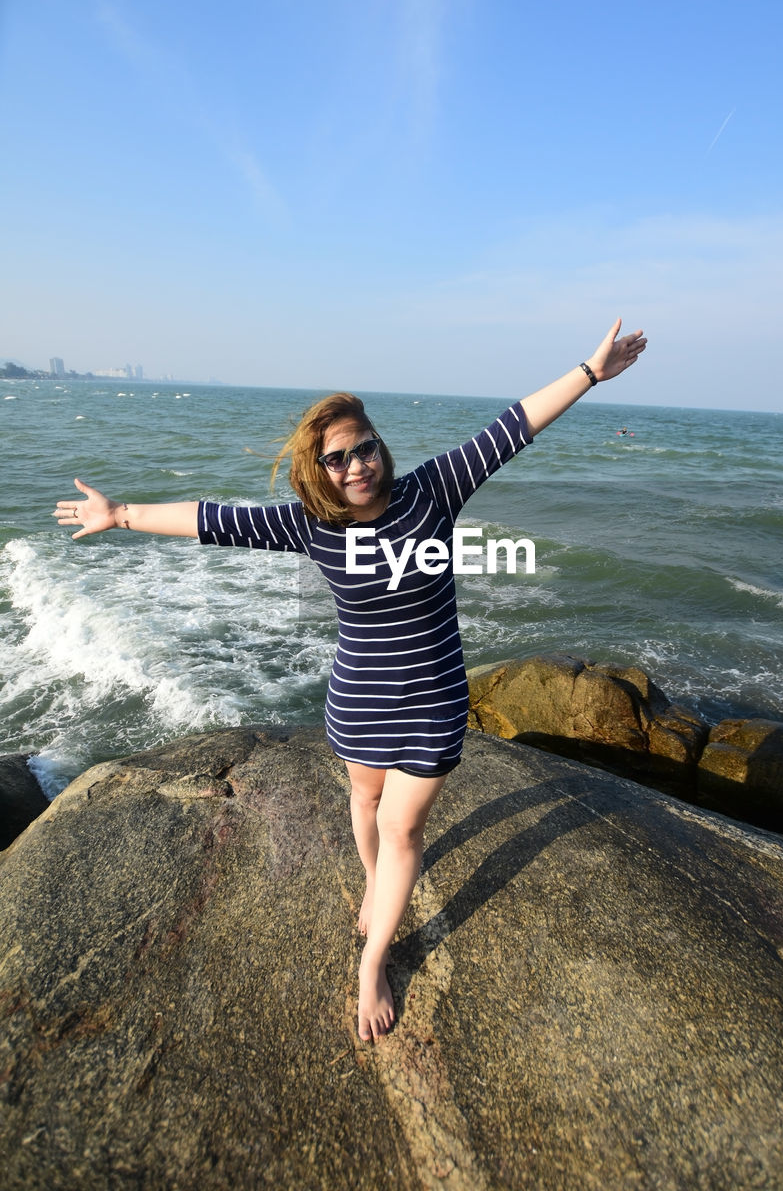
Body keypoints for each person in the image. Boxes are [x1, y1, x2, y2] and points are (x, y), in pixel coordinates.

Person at [53, 318, 646, 1042]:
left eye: (364, 448)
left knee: (402, 828)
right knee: (364, 802)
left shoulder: (433, 490)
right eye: (338, 459)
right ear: (320, 470)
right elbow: (215, 520)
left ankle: (373, 962)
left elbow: (513, 425)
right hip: (359, 699)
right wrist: (120, 515)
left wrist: (589, 371)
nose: (356, 466)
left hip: (431, 701)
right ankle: (375, 890)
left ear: (380, 445)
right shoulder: (313, 525)